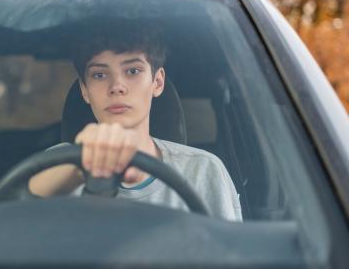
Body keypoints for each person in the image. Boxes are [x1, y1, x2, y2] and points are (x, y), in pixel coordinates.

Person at [29, 20, 242, 222]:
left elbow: (231, 254)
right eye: (100, 75)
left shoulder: (202, 170)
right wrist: (80, 165)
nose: (117, 86)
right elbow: (23, 210)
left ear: (157, 82)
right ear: (85, 91)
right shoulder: (58, 165)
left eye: (133, 71)